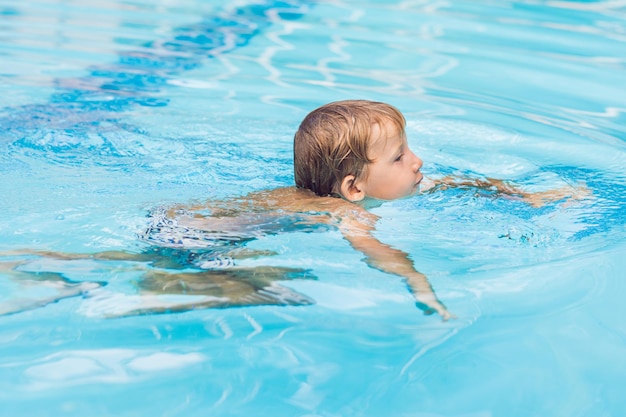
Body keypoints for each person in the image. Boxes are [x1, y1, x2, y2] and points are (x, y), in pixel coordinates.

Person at [0, 100, 585, 319]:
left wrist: (526, 195)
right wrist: (419, 285)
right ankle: (74, 285)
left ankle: (40, 262)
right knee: (273, 281)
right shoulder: (347, 214)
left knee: (125, 258)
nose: (418, 162)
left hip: (182, 217)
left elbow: (455, 183)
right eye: (401, 155)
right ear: (355, 188)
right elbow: (378, 252)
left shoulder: (334, 194)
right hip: (201, 238)